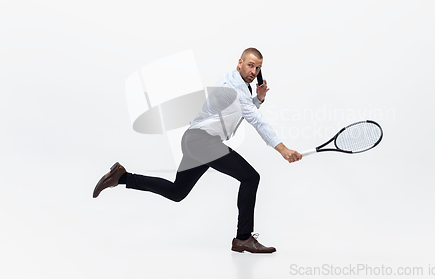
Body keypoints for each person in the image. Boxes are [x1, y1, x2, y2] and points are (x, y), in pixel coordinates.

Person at [93, 47, 302, 253]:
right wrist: (282, 149)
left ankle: (121, 177)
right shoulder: (234, 87)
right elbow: (255, 119)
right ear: (239, 62)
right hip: (203, 142)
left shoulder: (234, 83)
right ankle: (243, 238)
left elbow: (242, 108)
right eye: (250, 65)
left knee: (177, 192)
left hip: (194, 140)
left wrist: (259, 98)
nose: (254, 72)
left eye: (258, 68)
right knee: (250, 178)